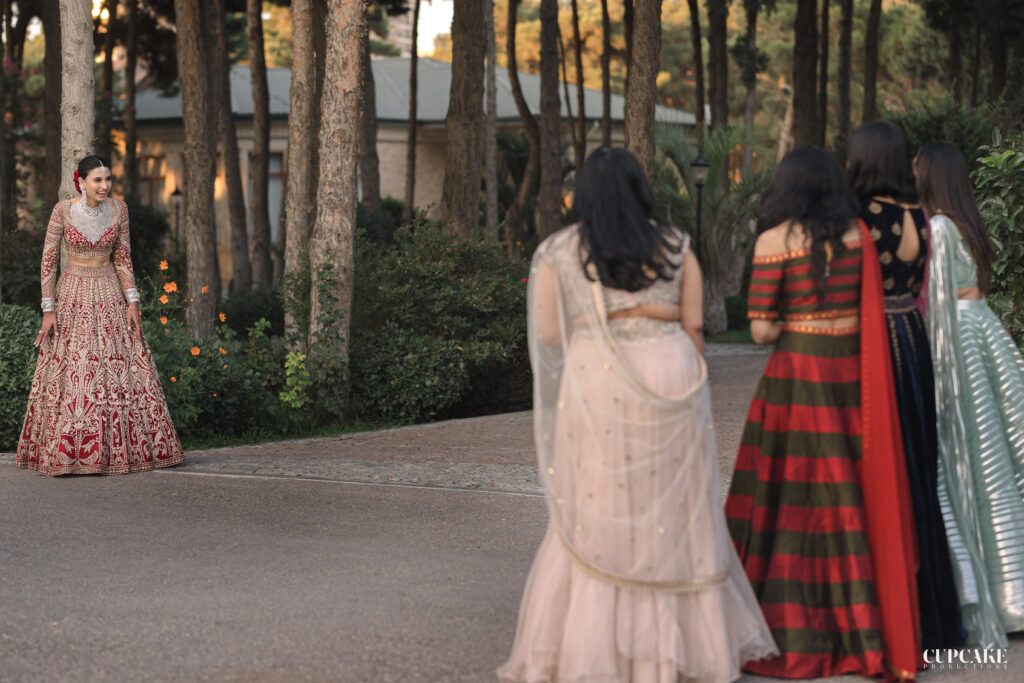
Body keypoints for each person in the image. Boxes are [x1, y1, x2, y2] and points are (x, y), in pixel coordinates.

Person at [498, 147, 777, 683]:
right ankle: (681, 647)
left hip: (598, 377)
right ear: (640, 190)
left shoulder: (559, 251)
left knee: (599, 498)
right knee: (674, 503)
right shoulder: (676, 246)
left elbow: (552, 336)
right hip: (668, 368)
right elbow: (695, 326)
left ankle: (597, 646)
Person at [725, 147, 920, 680]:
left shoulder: (773, 241)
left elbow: (761, 329)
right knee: (846, 492)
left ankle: (786, 628)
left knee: (786, 498)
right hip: (850, 377)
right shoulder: (858, 236)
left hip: (796, 378)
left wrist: (798, 317)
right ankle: (858, 627)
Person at [847, 122, 964, 650]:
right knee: (918, 467)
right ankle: (931, 609)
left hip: (878, 342)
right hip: (912, 338)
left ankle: (883, 605)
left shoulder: (862, 218)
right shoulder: (918, 215)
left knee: (882, 463)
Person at [916, 141, 1024, 649]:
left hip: (955, 338)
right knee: (998, 462)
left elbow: (934, 300)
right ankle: (1013, 591)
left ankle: (978, 593)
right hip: (985, 330)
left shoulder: (937, 228)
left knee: (964, 464)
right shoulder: (970, 223)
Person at [16, 155, 184, 476]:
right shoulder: (62, 211)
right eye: (97, 180)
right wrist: (47, 311)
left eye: (108, 179)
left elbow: (123, 258)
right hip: (72, 295)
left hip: (109, 292)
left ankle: (118, 451)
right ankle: (69, 452)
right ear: (80, 181)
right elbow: (48, 262)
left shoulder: (119, 210)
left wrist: (132, 302)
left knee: (118, 369)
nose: (105, 186)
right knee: (77, 368)